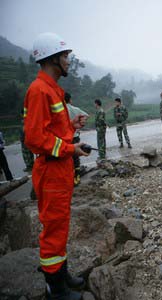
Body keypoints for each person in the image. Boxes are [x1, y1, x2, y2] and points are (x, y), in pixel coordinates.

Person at [23, 32, 88, 300]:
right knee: (53, 229)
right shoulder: (38, 91)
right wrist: (71, 148)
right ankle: (55, 290)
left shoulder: (52, 90)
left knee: (60, 226)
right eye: (65, 56)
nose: (69, 62)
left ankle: (62, 274)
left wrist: (71, 127)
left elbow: (52, 130)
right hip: (51, 170)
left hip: (60, 169)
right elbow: (35, 138)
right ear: (51, 58)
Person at [65, 92, 89, 186]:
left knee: (66, 158)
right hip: (75, 136)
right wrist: (81, 123)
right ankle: (77, 178)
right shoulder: (75, 109)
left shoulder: (60, 110)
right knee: (76, 158)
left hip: (64, 137)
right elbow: (86, 115)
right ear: (70, 100)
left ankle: (68, 178)